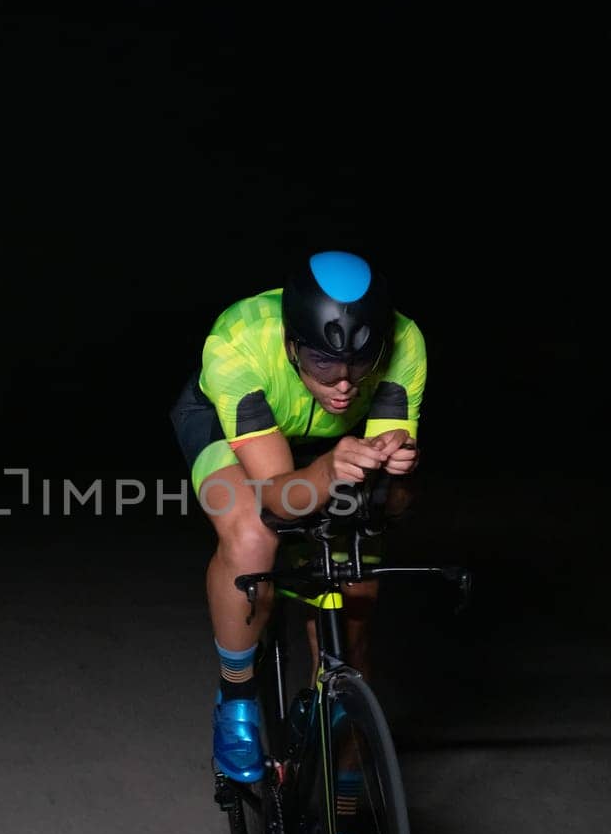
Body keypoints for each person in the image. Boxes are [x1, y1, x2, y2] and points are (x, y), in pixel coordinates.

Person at [167, 249, 426, 786]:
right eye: (323, 363)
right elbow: (277, 499)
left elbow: (392, 503)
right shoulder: (238, 341)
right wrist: (329, 471)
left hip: (334, 450)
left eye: (362, 362)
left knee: (353, 606)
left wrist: (397, 475)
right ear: (291, 345)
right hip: (236, 433)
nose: (345, 384)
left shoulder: (407, 344)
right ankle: (237, 697)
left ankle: (351, 811)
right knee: (252, 536)